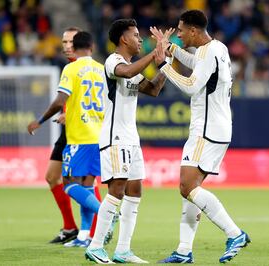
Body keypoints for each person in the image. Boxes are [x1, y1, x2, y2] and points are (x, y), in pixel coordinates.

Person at [152, 10, 251, 264]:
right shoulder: (217, 48)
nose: (179, 35)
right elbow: (198, 64)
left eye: (181, 31)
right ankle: (184, 251)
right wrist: (171, 50)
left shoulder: (207, 52)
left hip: (206, 130)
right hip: (218, 127)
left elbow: (191, 86)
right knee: (192, 189)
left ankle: (234, 233)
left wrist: (164, 64)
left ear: (194, 31)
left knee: (186, 186)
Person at [84, 19, 169, 264]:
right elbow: (127, 73)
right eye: (135, 35)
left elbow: (153, 90)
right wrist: (155, 53)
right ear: (123, 39)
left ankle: (123, 250)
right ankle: (96, 246)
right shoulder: (113, 61)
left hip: (132, 138)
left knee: (134, 191)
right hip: (115, 137)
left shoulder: (133, 67)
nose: (140, 39)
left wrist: (166, 63)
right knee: (117, 189)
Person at [27, 31, 108, 248]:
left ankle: (107, 215)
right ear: (91, 46)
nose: (66, 46)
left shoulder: (71, 68)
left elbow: (59, 100)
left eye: (69, 43)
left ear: (76, 45)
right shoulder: (103, 69)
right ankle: (83, 235)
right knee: (87, 185)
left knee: (70, 185)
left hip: (80, 135)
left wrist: (40, 121)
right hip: (99, 134)